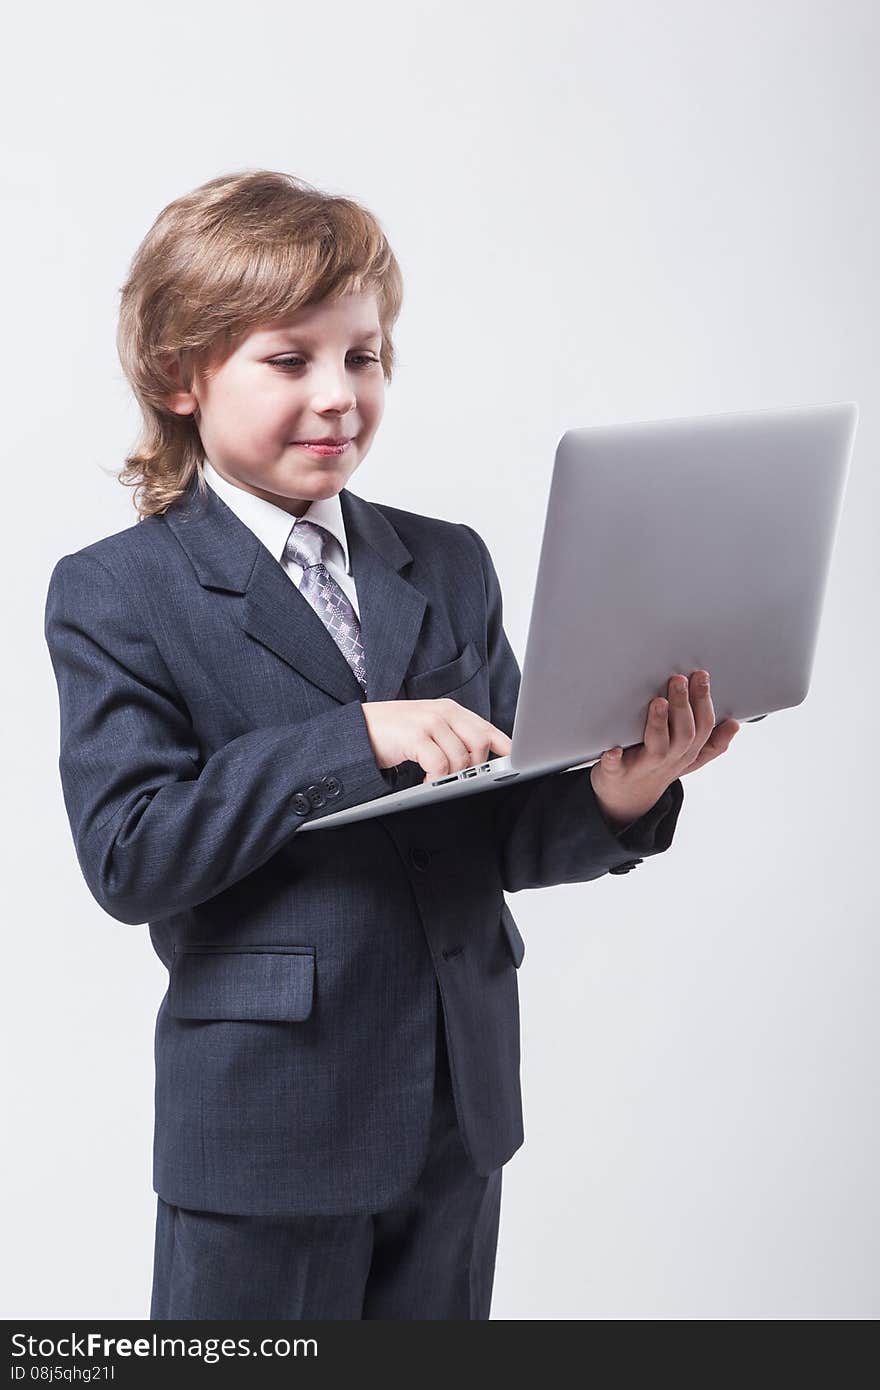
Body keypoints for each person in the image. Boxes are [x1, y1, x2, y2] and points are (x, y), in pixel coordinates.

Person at [43, 169, 739, 1320]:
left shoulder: (446, 561)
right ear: (179, 374)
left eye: (363, 357)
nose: (338, 396)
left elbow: (504, 823)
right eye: (289, 359)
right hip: (267, 1126)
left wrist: (624, 790)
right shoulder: (118, 592)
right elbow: (130, 853)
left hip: (456, 1109)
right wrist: (353, 736)